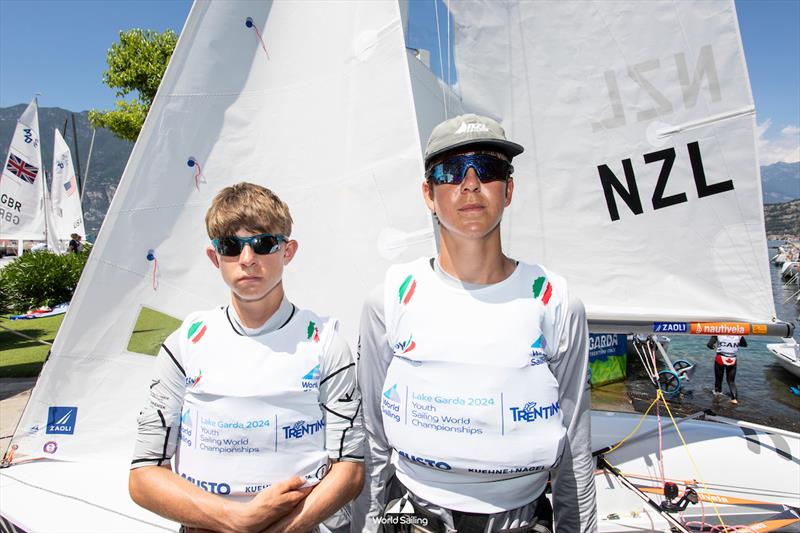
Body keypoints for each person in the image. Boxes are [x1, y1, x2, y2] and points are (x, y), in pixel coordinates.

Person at [357, 114, 596, 532]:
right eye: (451, 172)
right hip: (412, 513)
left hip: (521, 518)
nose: (470, 184)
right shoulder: (388, 300)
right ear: (428, 194)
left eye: (487, 170)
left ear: (509, 190)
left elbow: (575, 445)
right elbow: (373, 440)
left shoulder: (556, 302)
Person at [129, 183, 364, 532]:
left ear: (288, 251)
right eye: (230, 246)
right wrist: (235, 520)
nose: (247, 259)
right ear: (215, 257)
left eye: (263, 243)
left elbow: (350, 469)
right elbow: (143, 476)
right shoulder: (185, 344)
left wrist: (278, 529)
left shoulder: (326, 343)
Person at [707, 335, 748, 404]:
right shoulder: (738, 335)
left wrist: (713, 347)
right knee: (731, 381)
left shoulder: (717, 332)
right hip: (732, 359)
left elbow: (709, 345)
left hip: (720, 358)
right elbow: (745, 345)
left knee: (719, 379)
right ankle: (734, 399)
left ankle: (718, 395)